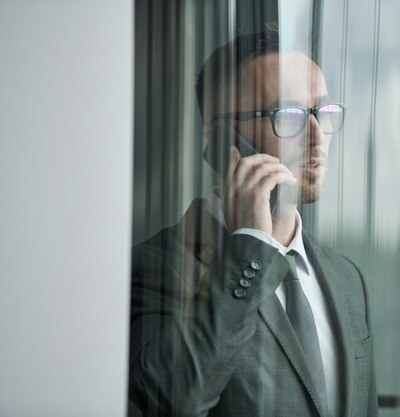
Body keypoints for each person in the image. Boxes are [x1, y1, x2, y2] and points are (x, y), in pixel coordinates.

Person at [128, 27, 377, 417]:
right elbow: (175, 399)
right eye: (288, 115)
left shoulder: (346, 278)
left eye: (323, 113)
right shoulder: (154, 267)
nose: (316, 136)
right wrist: (249, 243)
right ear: (222, 136)